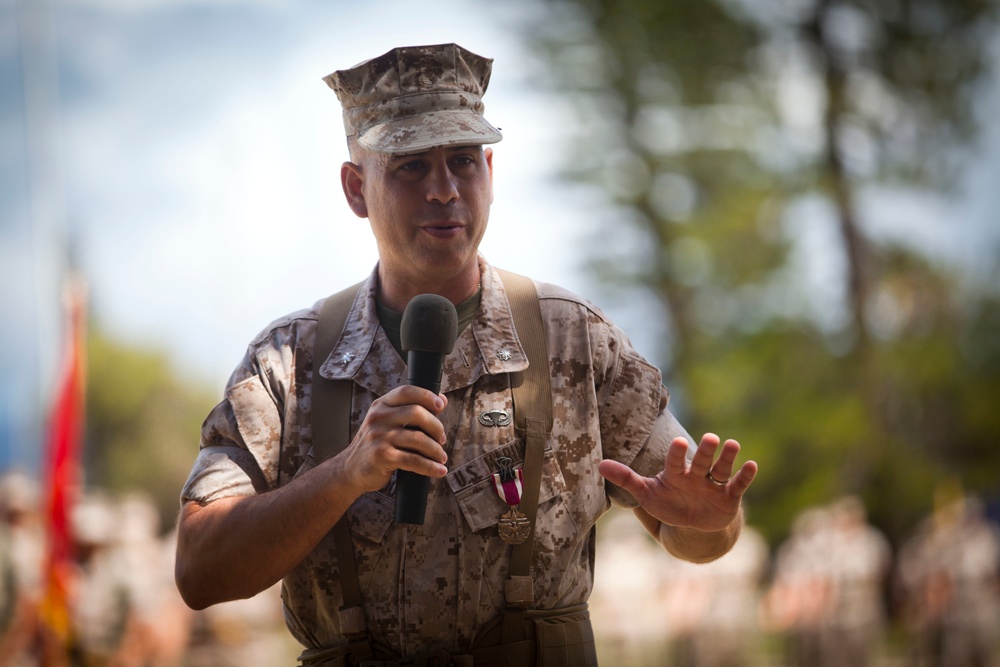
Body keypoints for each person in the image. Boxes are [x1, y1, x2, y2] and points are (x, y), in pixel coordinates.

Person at [174, 43, 758, 667]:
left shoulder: (575, 342)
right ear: (355, 188)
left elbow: (690, 534)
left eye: (462, 162)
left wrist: (710, 523)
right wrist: (344, 475)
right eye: (409, 167)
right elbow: (199, 571)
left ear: (489, 171)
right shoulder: (290, 362)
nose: (444, 191)